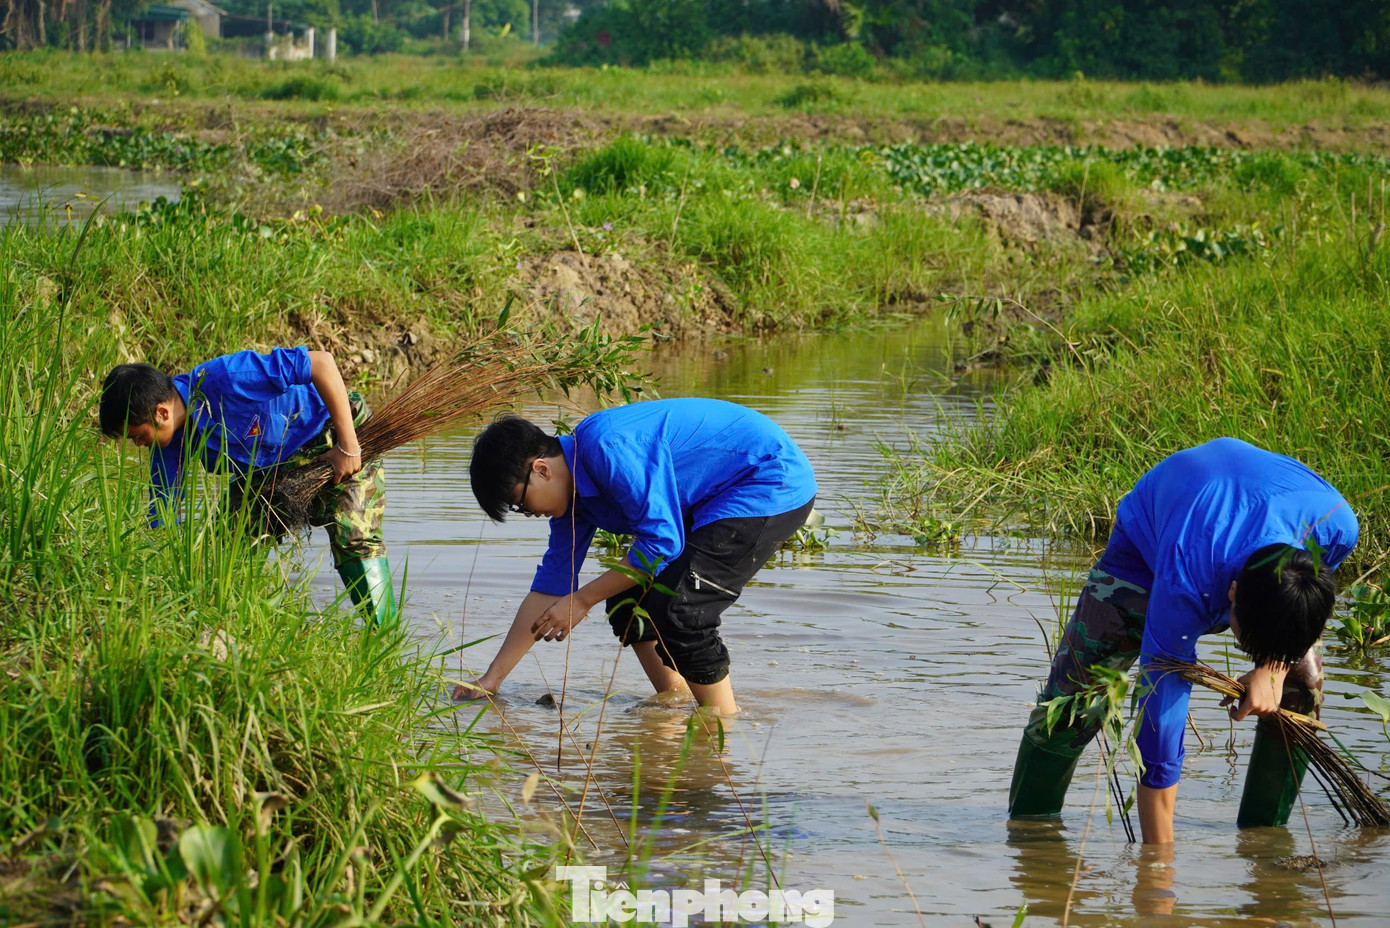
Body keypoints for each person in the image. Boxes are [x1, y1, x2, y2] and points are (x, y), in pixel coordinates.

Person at [1008, 437, 1358, 843]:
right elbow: (1159, 731)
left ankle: (1264, 838)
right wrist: (1158, 870)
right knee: (1076, 697)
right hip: (1149, 544)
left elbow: (1308, 595)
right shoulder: (1183, 582)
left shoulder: (1338, 527)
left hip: (1257, 511)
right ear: (1231, 595)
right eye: (1249, 645)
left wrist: (1273, 669)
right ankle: (1029, 834)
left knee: (1305, 686)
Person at [452, 398, 817, 715]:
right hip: (712, 497)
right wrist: (491, 680)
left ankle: (722, 722)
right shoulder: (573, 506)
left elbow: (661, 542)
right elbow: (550, 589)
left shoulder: (605, 445)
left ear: (541, 470)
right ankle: (675, 696)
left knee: (681, 607)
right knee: (627, 595)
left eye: (520, 503)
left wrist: (583, 599)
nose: (528, 514)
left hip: (768, 479)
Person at [99, 348, 396, 626]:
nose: (138, 445)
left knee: (354, 535)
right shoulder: (167, 446)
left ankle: (382, 640)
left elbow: (322, 363)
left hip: (329, 434)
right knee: (226, 546)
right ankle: (227, 623)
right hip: (272, 468)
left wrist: (349, 447)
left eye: (138, 436)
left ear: (161, 413)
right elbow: (162, 519)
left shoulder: (227, 378)